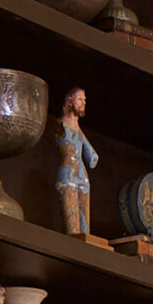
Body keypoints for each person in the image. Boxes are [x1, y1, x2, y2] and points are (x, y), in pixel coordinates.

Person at [54, 85, 98, 239]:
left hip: (82, 176)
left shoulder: (79, 130)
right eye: (80, 99)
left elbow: (91, 155)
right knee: (72, 228)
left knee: (85, 228)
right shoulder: (61, 124)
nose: (83, 103)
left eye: (84, 100)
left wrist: (92, 156)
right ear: (70, 101)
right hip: (68, 174)